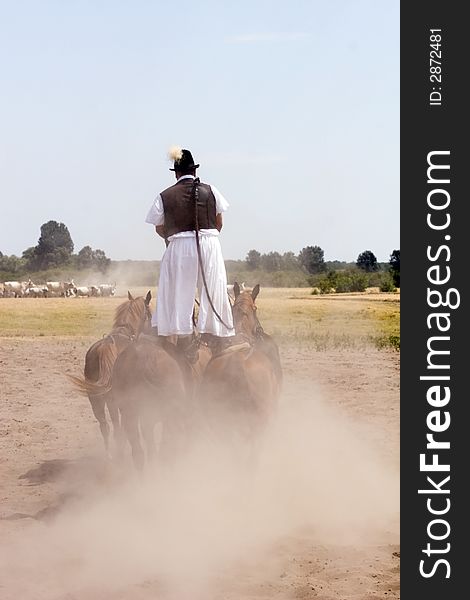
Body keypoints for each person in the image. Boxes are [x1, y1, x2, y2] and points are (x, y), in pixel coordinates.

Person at [145, 147, 235, 359]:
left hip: (179, 245)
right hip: (210, 243)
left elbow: (158, 227)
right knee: (214, 288)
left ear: (176, 173)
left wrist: (174, 240)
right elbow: (219, 222)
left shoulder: (164, 196)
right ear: (193, 171)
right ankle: (219, 338)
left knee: (178, 291)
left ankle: (183, 340)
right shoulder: (212, 190)